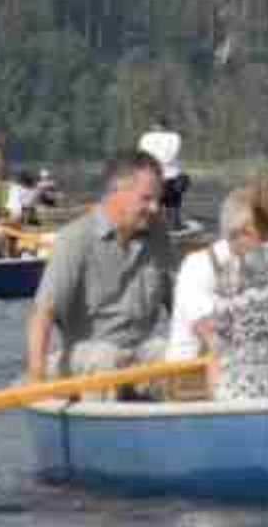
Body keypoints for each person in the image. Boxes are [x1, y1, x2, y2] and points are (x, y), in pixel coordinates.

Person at [24, 151, 173, 396]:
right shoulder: (75, 239)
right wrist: (36, 376)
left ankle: (181, 425)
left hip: (136, 356)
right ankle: (101, 426)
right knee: (104, 357)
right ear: (117, 193)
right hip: (86, 360)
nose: (155, 208)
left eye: (158, 199)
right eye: (146, 199)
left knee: (172, 352)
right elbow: (42, 315)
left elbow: (185, 307)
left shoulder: (159, 236)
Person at [196, 177, 268, 399]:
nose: (232, 244)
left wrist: (216, 404)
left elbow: (217, 349)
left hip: (235, 398)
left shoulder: (227, 274)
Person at [165, 188, 256, 361]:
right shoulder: (198, 265)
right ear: (236, 233)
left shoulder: (258, 263)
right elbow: (213, 337)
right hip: (190, 375)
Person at [139, 119, 189, 230]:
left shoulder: (145, 138)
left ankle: (157, 222)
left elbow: (143, 155)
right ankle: (174, 222)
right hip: (169, 179)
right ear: (166, 126)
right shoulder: (174, 137)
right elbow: (169, 157)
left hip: (153, 178)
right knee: (176, 191)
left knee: (156, 199)